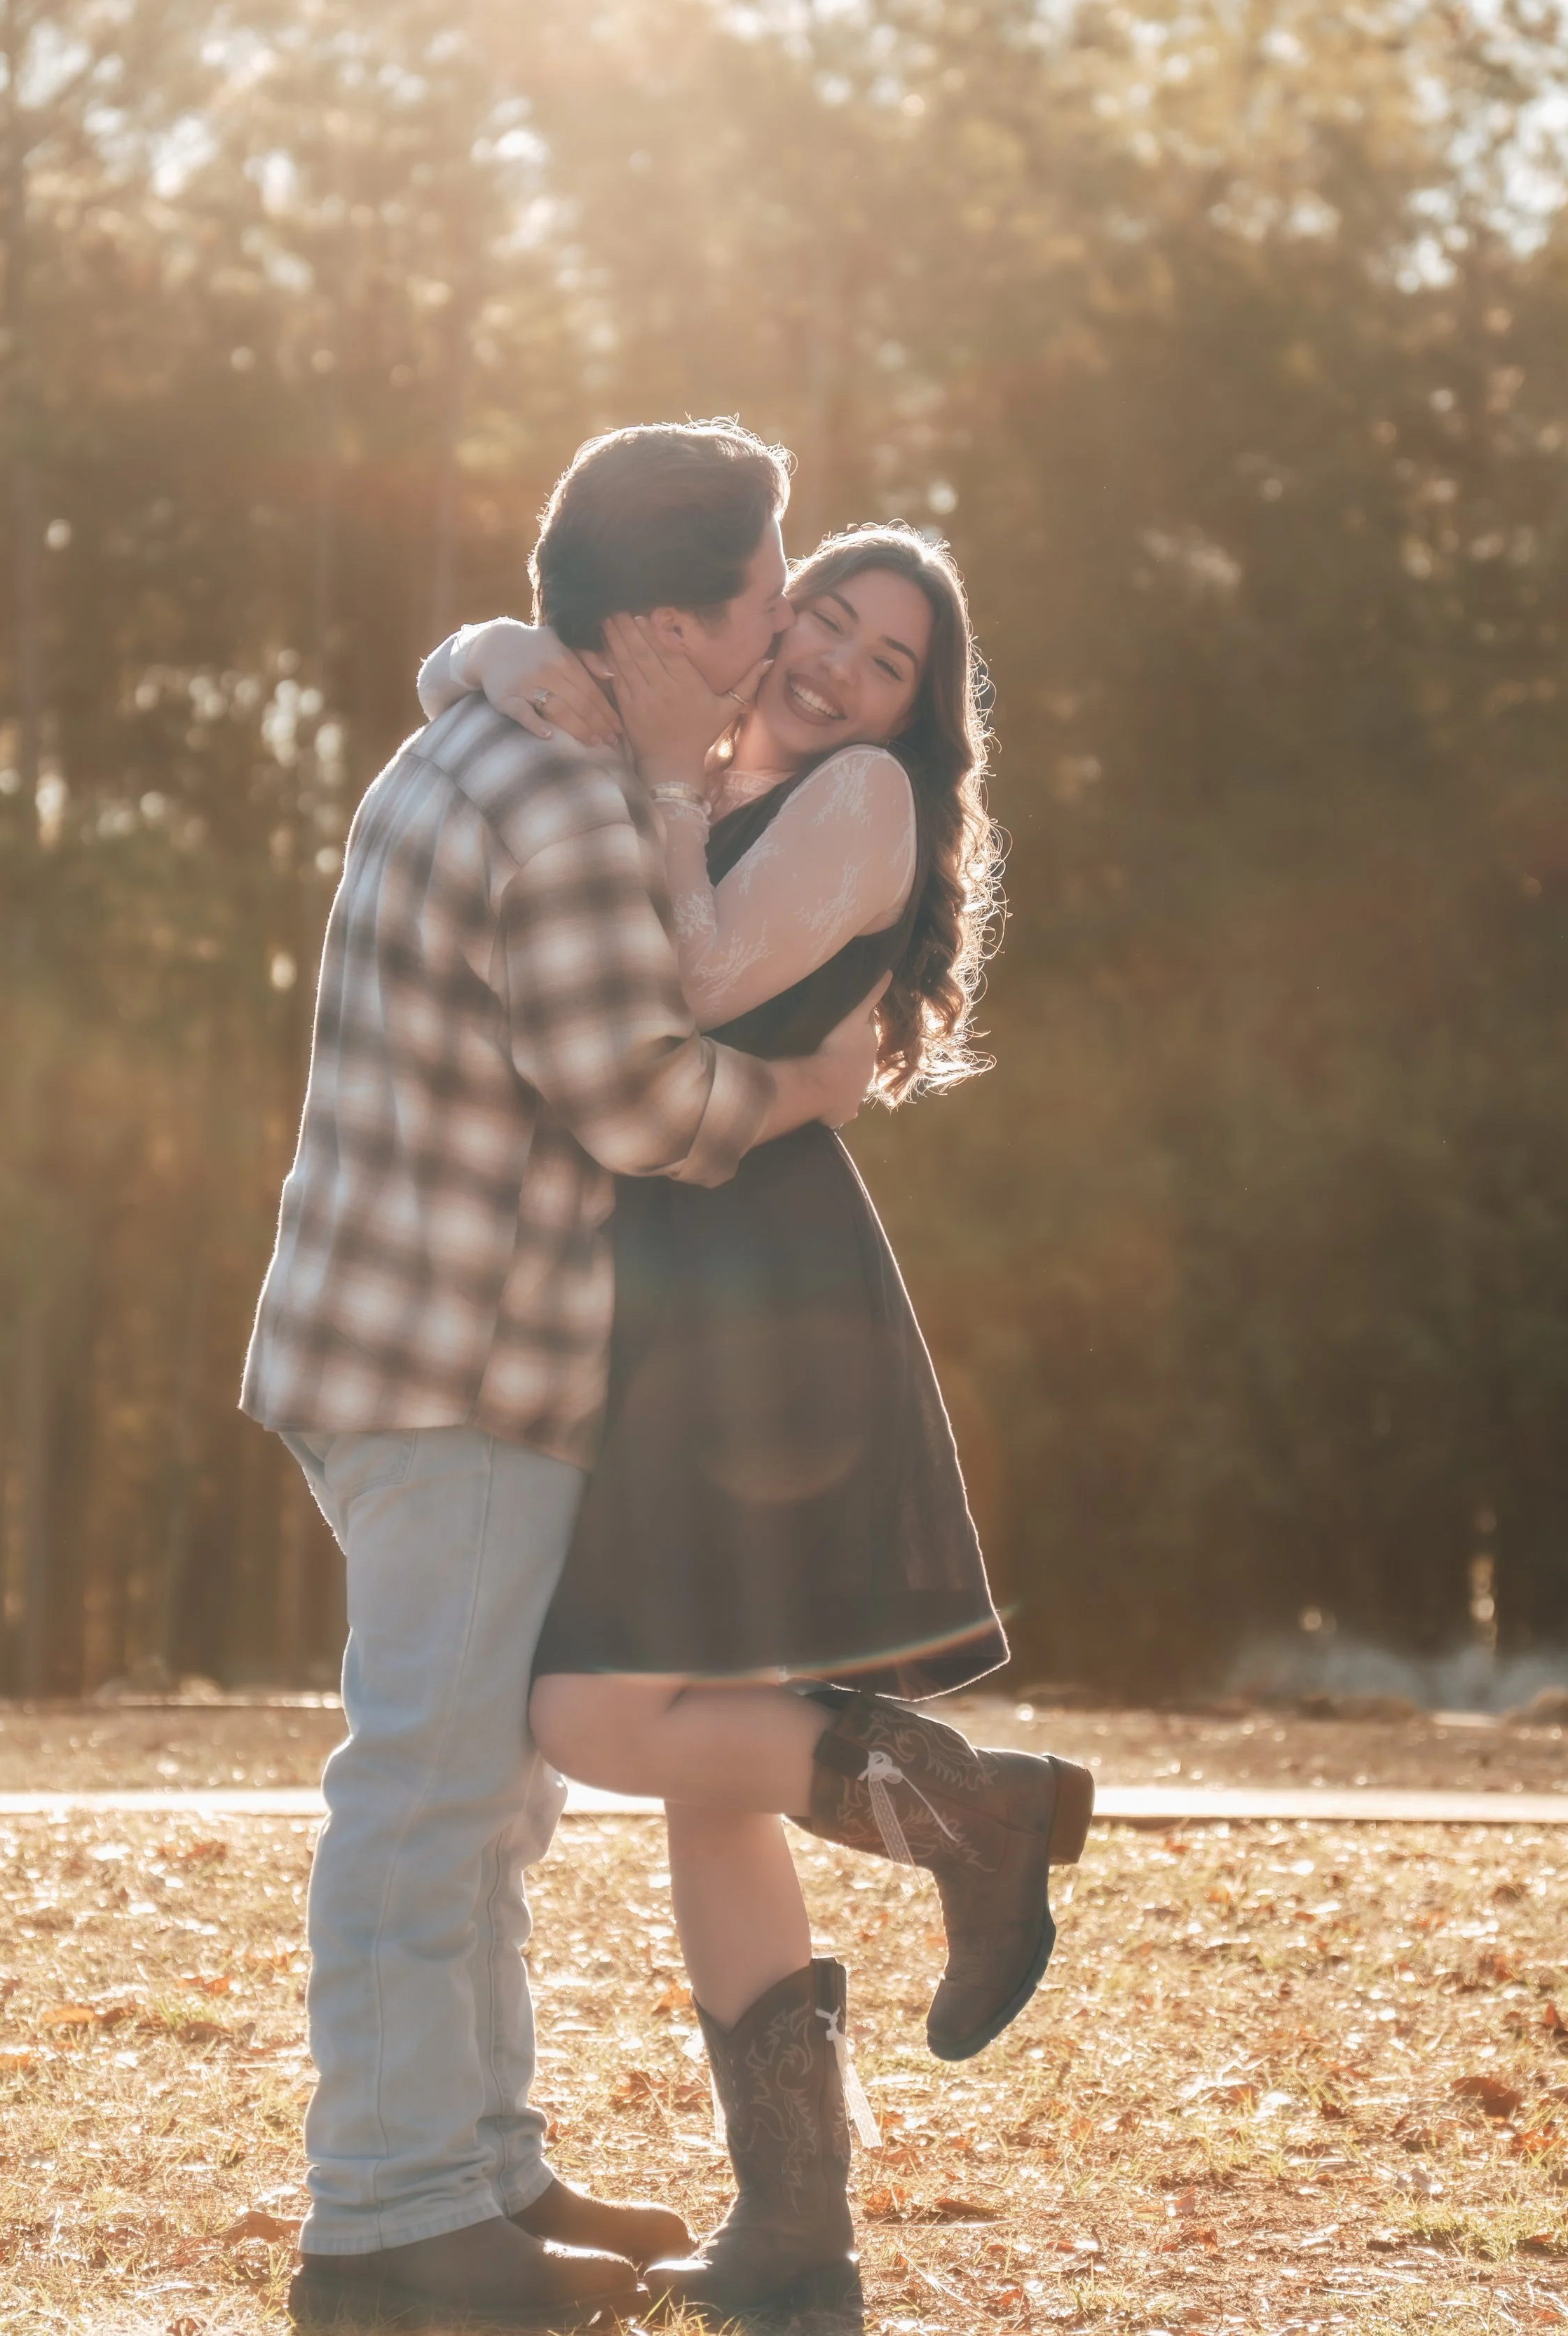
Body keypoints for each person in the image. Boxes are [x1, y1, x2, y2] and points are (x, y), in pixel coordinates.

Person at [240, 421, 885, 2334]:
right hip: (444, 1365)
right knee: (428, 1792)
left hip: (440, 1351)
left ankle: (480, 2168)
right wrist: (803, 1090)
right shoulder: (544, 799)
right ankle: (384, 2224)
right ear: (665, 624)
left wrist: (475, 647)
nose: (782, 627)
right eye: (764, 594)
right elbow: (634, 1096)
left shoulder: (511, 734)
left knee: (485, 1796)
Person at [418, 523, 1095, 2318]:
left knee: (591, 1707)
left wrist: (639, 767)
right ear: (771, 615)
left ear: (910, 713)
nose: (832, 662)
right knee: (700, 1782)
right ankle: (795, 2240)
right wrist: (500, 659)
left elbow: (694, 981)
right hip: (665, 1278)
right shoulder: (706, 759)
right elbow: (483, 680)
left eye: (882, 658)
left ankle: (974, 1810)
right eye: (822, 618)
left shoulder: (860, 798)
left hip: (749, 1298)